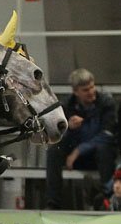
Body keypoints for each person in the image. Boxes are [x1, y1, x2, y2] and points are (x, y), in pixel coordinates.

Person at [45, 68, 117, 209]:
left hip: (98, 157)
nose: (91, 92)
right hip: (73, 159)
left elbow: (107, 135)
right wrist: (68, 129)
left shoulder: (106, 103)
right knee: (54, 150)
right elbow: (56, 137)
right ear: (76, 92)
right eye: (85, 90)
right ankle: (53, 203)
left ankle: (108, 199)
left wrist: (79, 150)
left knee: (104, 148)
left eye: (92, 87)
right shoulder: (66, 106)